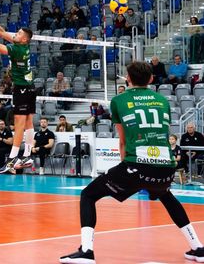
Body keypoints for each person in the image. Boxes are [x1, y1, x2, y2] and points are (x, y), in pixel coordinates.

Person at [60, 61, 204, 263]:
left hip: (137, 164)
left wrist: (126, 170)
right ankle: (197, 247)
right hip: (166, 166)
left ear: (128, 79)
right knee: (166, 195)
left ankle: (86, 251)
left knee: (88, 195)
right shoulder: (162, 100)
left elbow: (123, 141)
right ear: (151, 79)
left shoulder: (119, 101)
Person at [0, 6, 36, 173]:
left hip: (22, 89)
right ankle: (27, 155)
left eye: (18, 33)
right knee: (28, 122)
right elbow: (2, 32)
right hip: (30, 88)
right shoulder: (22, 45)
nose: (15, 34)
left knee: (19, 125)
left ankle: (12, 159)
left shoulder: (17, 49)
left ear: (24, 39)